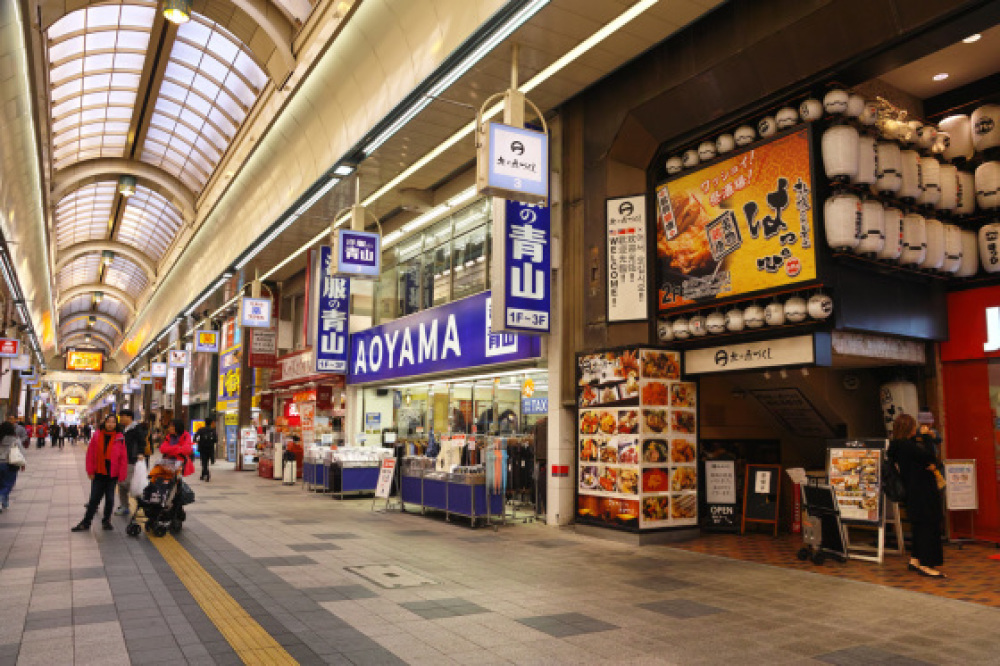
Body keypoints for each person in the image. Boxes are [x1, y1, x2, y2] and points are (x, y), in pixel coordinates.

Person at [889, 413, 946, 578]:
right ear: (909, 428)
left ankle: (915, 559)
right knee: (928, 526)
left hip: (912, 492)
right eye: (914, 426)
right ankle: (926, 564)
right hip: (922, 493)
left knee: (918, 526)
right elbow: (929, 456)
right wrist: (927, 438)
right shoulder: (908, 446)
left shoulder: (897, 446)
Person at [72, 414, 128, 532]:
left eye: (113, 422)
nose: (111, 424)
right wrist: (90, 470)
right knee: (94, 500)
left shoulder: (120, 437)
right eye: (108, 422)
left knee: (110, 500)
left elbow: (123, 457)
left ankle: (106, 521)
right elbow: (90, 454)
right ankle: (86, 523)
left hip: (112, 474)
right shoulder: (97, 435)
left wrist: (122, 474)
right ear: (104, 422)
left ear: (116, 424)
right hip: (99, 473)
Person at [115, 409, 147, 516]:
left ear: (129, 417)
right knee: (121, 484)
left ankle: (141, 503)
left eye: (123, 416)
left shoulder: (136, 428)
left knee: (126, 483)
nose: (121, 419)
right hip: (123, 460)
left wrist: (141, 453)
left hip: (131, 460)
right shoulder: (124, 428)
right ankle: (124, 506)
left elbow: (142, 442)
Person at [0, 421, 27, 512]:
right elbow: (21, 452)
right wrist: (23, 463)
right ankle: (1, 498)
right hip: (10, 464)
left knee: (1, 484)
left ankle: (4, 503)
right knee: (8, 484)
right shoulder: (15, 439)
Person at [194, 417, 217, 482]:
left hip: (202, 448)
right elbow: (215, 440)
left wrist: (197, 441)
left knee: (204, 462)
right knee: (206, 462)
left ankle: (206, 474)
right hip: (210, 448)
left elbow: (195, 437)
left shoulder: (201, 430)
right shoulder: (213, 430)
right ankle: (204, 474)